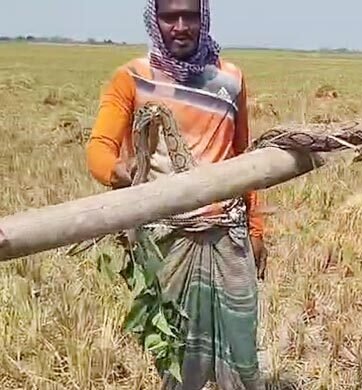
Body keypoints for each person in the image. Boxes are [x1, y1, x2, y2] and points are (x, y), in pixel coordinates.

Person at [86, 0, 267, 388]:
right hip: (166, 241)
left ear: (204, 17)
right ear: (155, 19)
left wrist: (256, 229)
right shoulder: (131, 79)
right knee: (175, 353)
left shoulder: (230, 79)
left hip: (227, 235)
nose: (181, 26)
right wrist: (119, 171)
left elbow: (243, 158)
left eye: (190, 16)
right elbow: (99, 148)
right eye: (170, 16)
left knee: (242, 347)